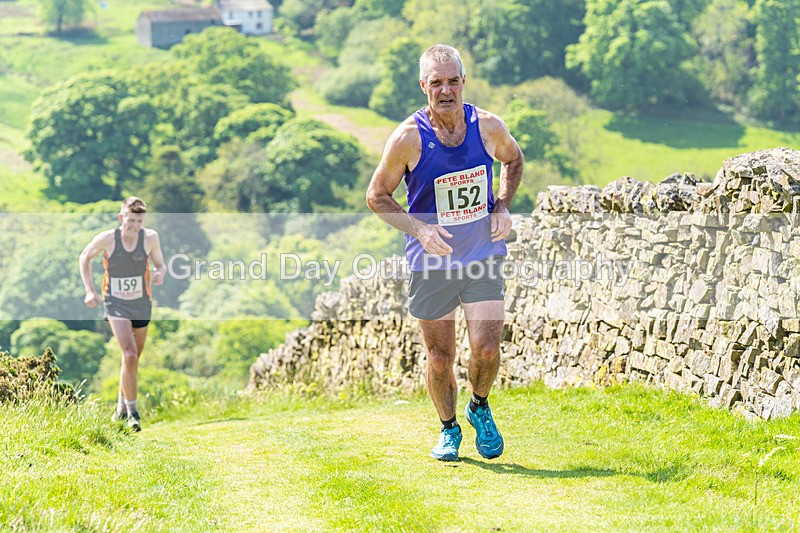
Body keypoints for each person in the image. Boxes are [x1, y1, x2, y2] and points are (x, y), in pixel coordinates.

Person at [366, 44, 523, 461]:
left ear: (464, 81)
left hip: (482, 256)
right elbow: (377, 196)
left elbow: (514, 159)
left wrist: (503, 205)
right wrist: (418, 228)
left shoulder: (487, 126)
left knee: (487, 349)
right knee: (440, 357)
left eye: (453, 80)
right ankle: (448, 429)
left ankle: (479, 407)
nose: (446, 90)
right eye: (437, 82)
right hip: (432, 262)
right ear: (424, 86)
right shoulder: (407, 138)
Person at [79, 197, 166, 431]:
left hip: (141, 303)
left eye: (139, 221)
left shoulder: (150, 238)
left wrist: (160, 273)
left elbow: (160, 264)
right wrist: (89, 290)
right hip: (115, 302)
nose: (134, 225)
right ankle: (133, 414)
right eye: (130, 220)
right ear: (121, 218)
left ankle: (120, 409)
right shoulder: (108, 239)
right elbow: (84, 257)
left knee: (133, 359)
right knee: (128, 355)